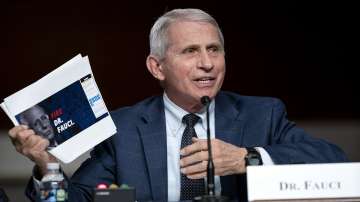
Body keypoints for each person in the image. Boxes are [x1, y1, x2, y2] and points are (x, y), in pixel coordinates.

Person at [8, 8, 347, 202]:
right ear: (157, 67)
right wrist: (47, 166)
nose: (208, 63)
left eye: (214, 50)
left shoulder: (263, 114)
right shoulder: (123, 129)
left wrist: (247, 158)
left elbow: (335, 161)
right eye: (190, 51)